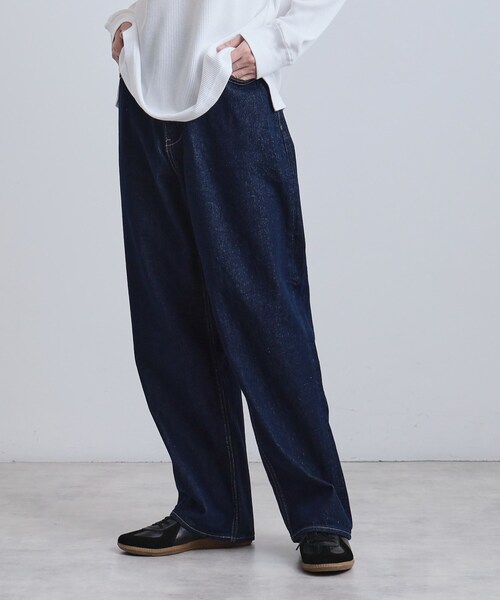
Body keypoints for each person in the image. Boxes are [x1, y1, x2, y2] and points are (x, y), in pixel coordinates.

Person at [104, 0, 354, 574]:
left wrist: (272, 44)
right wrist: (124, 21)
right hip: (143, 97)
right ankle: (212, 510)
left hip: (232, 100)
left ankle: (319, 517)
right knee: (167, 319)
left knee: (267, 318)